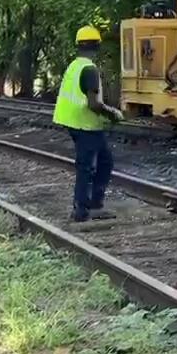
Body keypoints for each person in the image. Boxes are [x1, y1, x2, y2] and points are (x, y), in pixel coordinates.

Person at [52, 25, 124, 222]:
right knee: (88, 167)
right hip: (85, 124)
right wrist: (112, 114)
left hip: (73, 122)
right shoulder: (89, 69)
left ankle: (92, 205)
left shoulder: (74, 65)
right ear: (97, 45)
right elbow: (94, 104)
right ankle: (82, 210)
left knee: (103, 162)